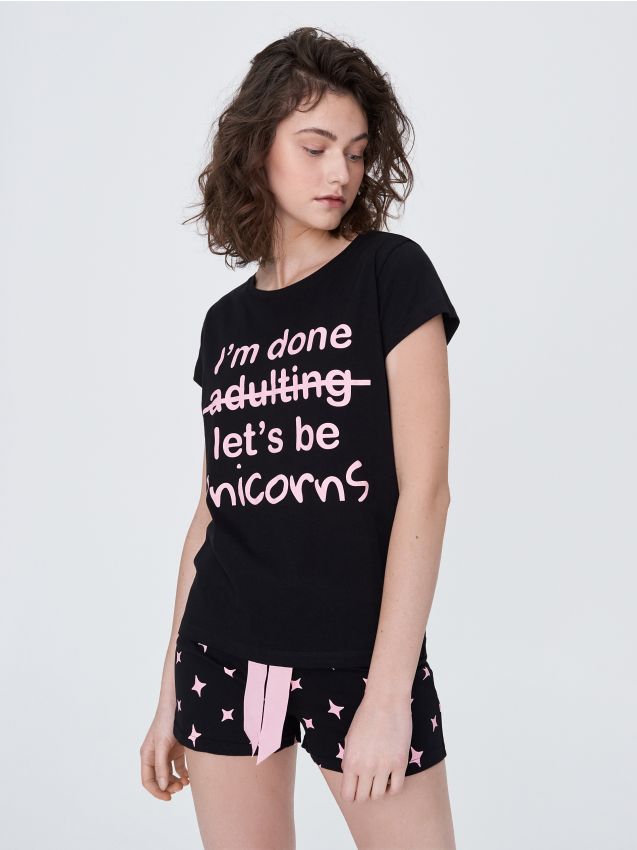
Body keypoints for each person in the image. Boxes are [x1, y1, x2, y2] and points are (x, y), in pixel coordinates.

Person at [140, 26, 460, 850]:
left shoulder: (389, 274)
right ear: (258, 152)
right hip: (221, 651)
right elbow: (214, 512)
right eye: (314, 148)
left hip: (357, 660)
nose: (338, 174)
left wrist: (387, 693)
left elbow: (425, 493)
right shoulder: (224, 325)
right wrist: (169, 692)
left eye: (354, 153)